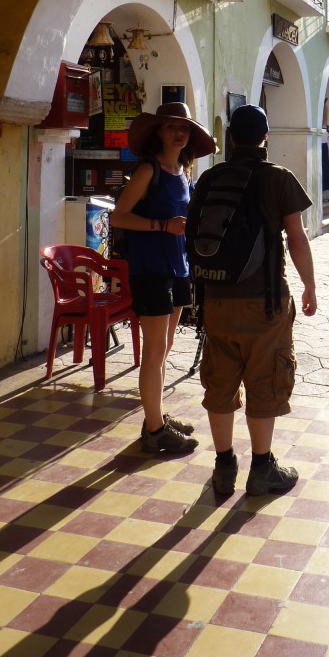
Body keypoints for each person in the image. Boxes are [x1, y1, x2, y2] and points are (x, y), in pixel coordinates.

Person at [198, 105, 317, 497]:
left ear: (232, 138)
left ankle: (224, 465)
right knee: (265, 381)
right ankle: (262, 468)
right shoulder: (278, 178)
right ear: (266, 137)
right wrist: (310, 286)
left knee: (220, 381)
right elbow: (296, 238)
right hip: (264, 302)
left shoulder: (211, 177)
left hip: (216, 300)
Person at [111, 102, 217, 454]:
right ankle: (155, 430)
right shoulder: (149, 169)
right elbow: (119, 217)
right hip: (151, 269)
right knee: (155, 350)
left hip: (178, 267)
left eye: (184, 127)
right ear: (158, 131)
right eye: (171, 126)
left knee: (166, 346)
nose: (179, 133)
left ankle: (154, 416)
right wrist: (162, 225)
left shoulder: (183, 171)